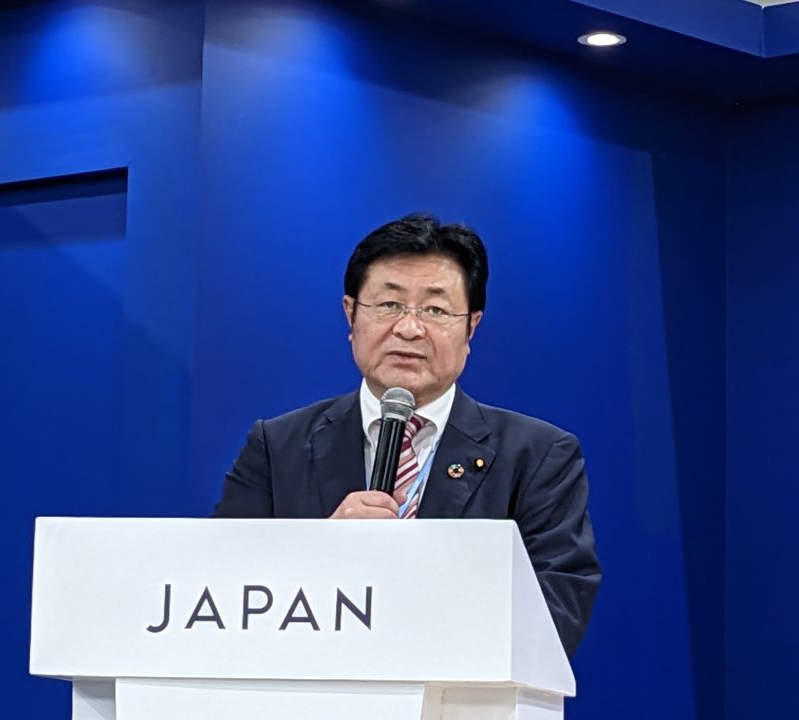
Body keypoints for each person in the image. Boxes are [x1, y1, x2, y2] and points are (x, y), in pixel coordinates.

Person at [213, 214, 601, 656]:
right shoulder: (275, 446)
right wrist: (318, 553)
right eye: (389, 305)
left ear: (471, 327)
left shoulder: (537, 455)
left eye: (435, 310)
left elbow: (558, 610)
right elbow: (219, 589)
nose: (409, 328)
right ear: (351, 314)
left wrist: (417, 620)